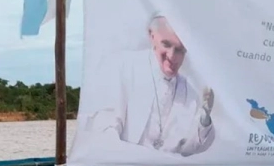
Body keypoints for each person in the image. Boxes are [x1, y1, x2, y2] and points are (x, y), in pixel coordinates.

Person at [83, 13, 216, 156]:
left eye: (179, 50)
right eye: (166, 45)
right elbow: (105, 127)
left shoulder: (190, 93)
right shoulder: (123, 67)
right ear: (152, 37)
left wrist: (204, 119)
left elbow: (188, 149)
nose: (172, 56)